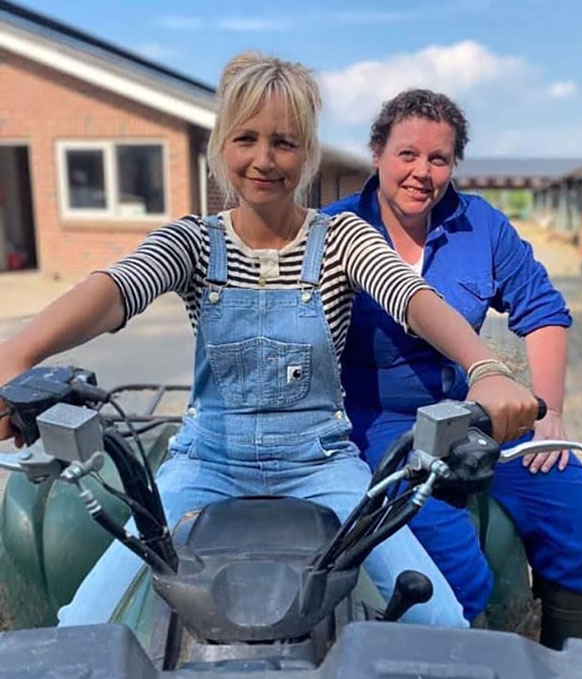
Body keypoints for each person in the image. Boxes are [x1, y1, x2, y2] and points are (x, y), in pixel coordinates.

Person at [0, 56, 539, 629]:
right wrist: (17, 354)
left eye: (283, 142)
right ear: (221, 147)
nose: (263, 159)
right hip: (206, 460)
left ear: (306, 154)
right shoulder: (192, 243)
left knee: (443, 623)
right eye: (246, 138)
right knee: (85, 621)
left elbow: (409, 295)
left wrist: (484, 366)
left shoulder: (341, 239)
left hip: (321, 463)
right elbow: (116, 288)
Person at [323, 89, 582, 649]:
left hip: (469, 411)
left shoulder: (481, 225)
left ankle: (562, 659)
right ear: (377, 153)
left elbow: (543, 310)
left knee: (579, 510)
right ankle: (465, 649)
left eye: (438, 159)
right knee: (455, 563)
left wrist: (549, 411)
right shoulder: (333, 230)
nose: (422, 172)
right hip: (377, 421)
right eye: (407, 154)